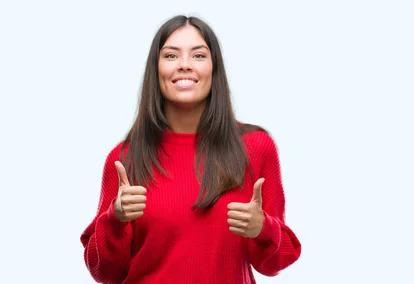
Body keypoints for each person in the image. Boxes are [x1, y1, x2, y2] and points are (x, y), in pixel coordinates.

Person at [80, 15, 302, 284]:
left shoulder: (256, 147)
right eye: (171, 56)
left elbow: (276, 263)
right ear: (156, 69)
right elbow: (104, 273)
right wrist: (115, 219)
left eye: (198, 55)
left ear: (214, 68)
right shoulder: (124, 158)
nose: (185, 65)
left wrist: (263, 229)